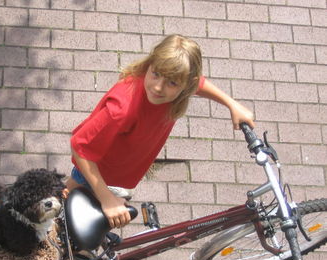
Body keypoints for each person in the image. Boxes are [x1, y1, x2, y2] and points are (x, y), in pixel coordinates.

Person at [66, 35, 255, 229]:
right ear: (149, 64)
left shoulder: (174, 83)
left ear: (186, 85)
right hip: (96, 174)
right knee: (72, 217)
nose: (158, 87)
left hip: (118, 172)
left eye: (172, 82)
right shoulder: (122, 110)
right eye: (155, 74)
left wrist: (231, 104)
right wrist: (107, 199)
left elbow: (199, 84)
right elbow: (80, 147)